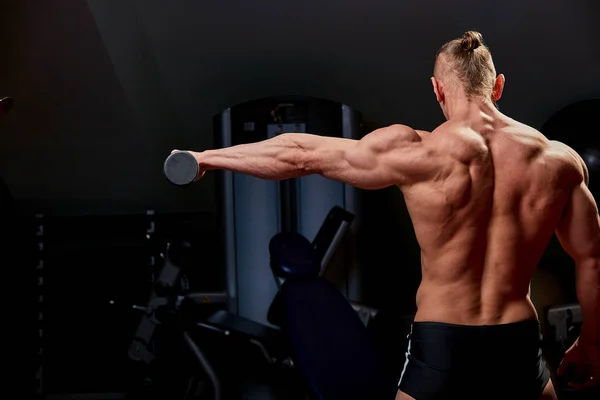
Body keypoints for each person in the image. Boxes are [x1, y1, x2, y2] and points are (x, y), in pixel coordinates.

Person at [174, 31, 600, 399]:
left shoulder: (419, 151)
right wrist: (591, 343)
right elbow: (592, 260)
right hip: (517, 342)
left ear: (437, 90)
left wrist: (205, 158)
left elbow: (298, 153)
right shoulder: (559, 161)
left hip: (443, 341)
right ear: (498, 87)